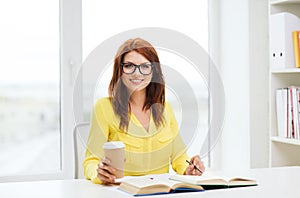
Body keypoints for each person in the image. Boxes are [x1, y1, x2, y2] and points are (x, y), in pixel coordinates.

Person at [83, 38, 205, 185]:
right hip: (122, 192)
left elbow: (179, 157)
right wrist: (99, 173)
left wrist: (189, 169)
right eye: (129, 66)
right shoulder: (104, 108)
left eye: (145, 66)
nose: (137, 73)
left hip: (159, 193)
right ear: (119, 70)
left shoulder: (165, 109)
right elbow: (91, 161)